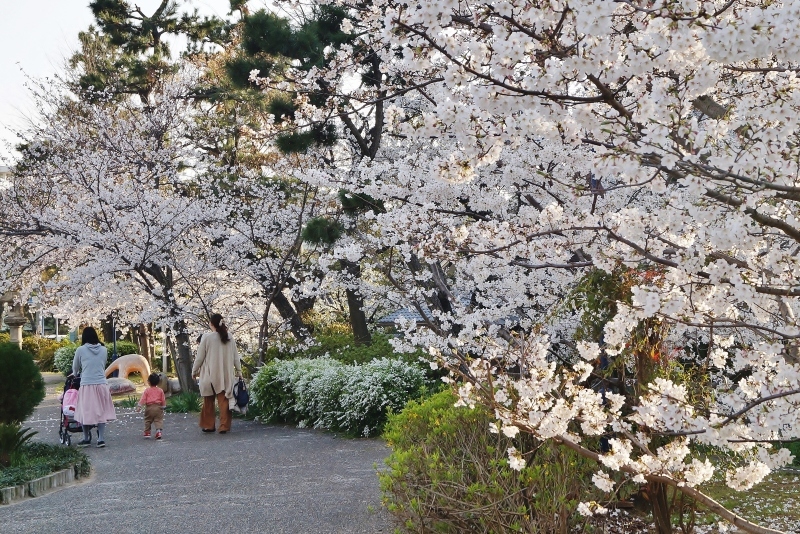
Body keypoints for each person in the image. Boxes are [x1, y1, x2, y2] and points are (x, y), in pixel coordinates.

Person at [191, 313, 242, 434]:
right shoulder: (229, 336)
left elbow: (200, 357)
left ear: (211, 324)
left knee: (208, 400)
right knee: (224, 400)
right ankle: (224, 426)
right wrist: (239, 371)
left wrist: (194, 371)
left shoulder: (207, 337)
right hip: (225, 374)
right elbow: (236, 357)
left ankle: (209, 425)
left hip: (209, 373)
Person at [72, 327, 116, 447]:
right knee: (101, 412)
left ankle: (86, 438)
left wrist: (74, 374)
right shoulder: (104, 349)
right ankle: (101, 439)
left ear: (84, 337)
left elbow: (75, 367)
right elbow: (102, 364)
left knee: (85, 411)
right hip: (101, 383)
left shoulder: (80, 350)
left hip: (87, 384)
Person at [138, 373, 166, 439]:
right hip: (158, 408)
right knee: (158, 420)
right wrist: (163, 406)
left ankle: (147, 432)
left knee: (148, 419)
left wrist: (139, 405)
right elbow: (163, 399)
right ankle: (158, 431)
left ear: (149, 382)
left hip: (149, 407)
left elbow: (143, 399)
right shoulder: (160, 390)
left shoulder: (147, 391)